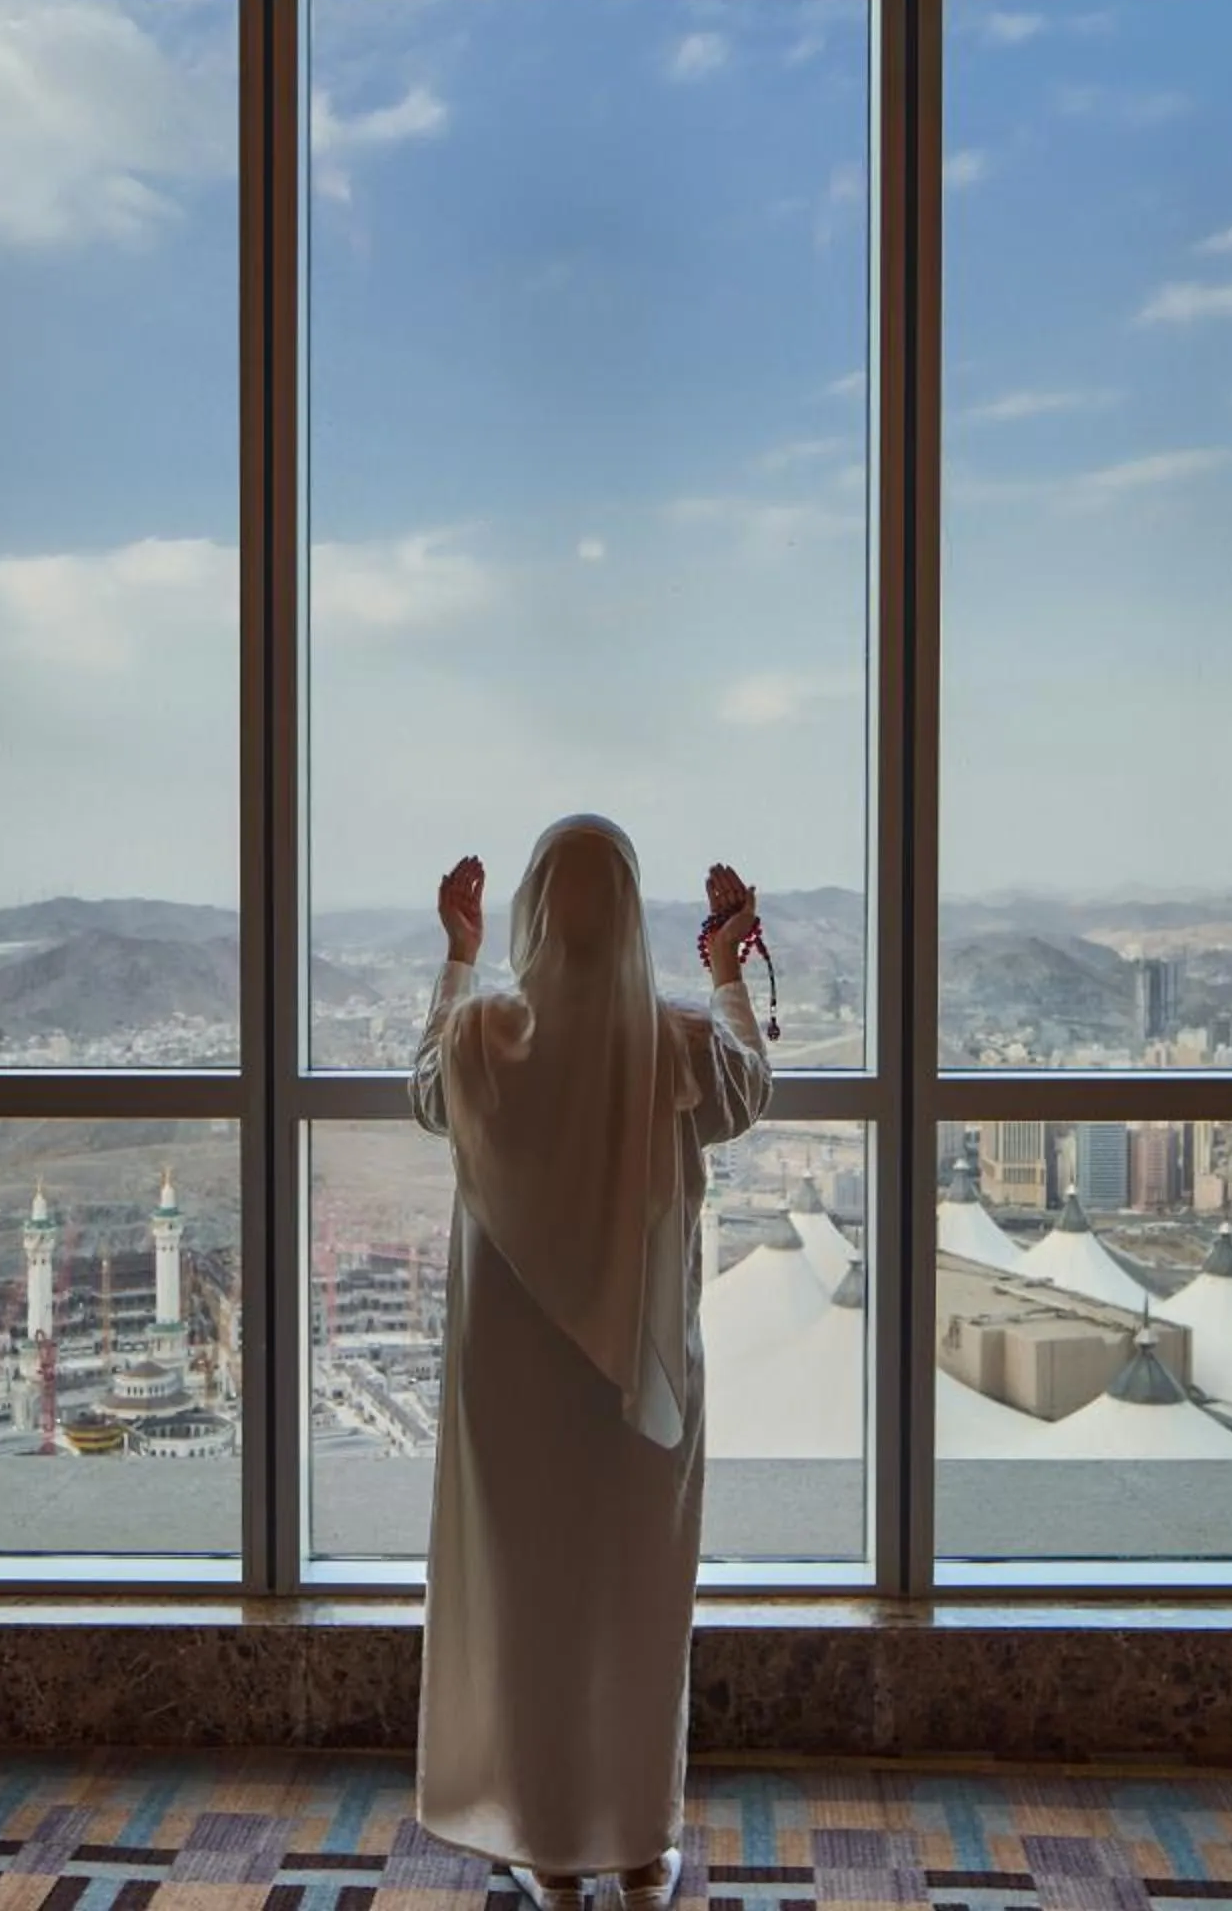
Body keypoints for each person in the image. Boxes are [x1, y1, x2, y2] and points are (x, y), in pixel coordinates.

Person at [410, 816, 773, 1911]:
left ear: (529, 908)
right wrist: (725, 967)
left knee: (534, 1609)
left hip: (511, 1387)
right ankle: (635, 1849)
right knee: (633, 1606)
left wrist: (460, 952)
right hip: (639, 1391)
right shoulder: (669, 1042)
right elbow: (747, 1088)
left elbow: (427, 1091)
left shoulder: (484, 1037)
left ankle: (552, 1847)